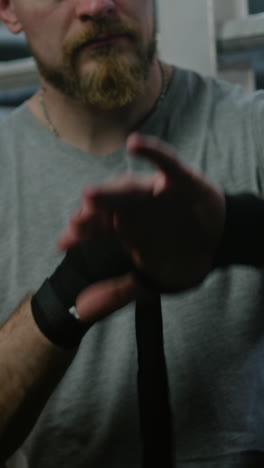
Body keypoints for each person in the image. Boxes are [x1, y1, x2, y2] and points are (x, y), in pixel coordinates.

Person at [0, 0, 264, 467]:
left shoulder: (253, 130)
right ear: (8, 9)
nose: (96, 5)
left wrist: (237, 228)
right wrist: (66, 293)